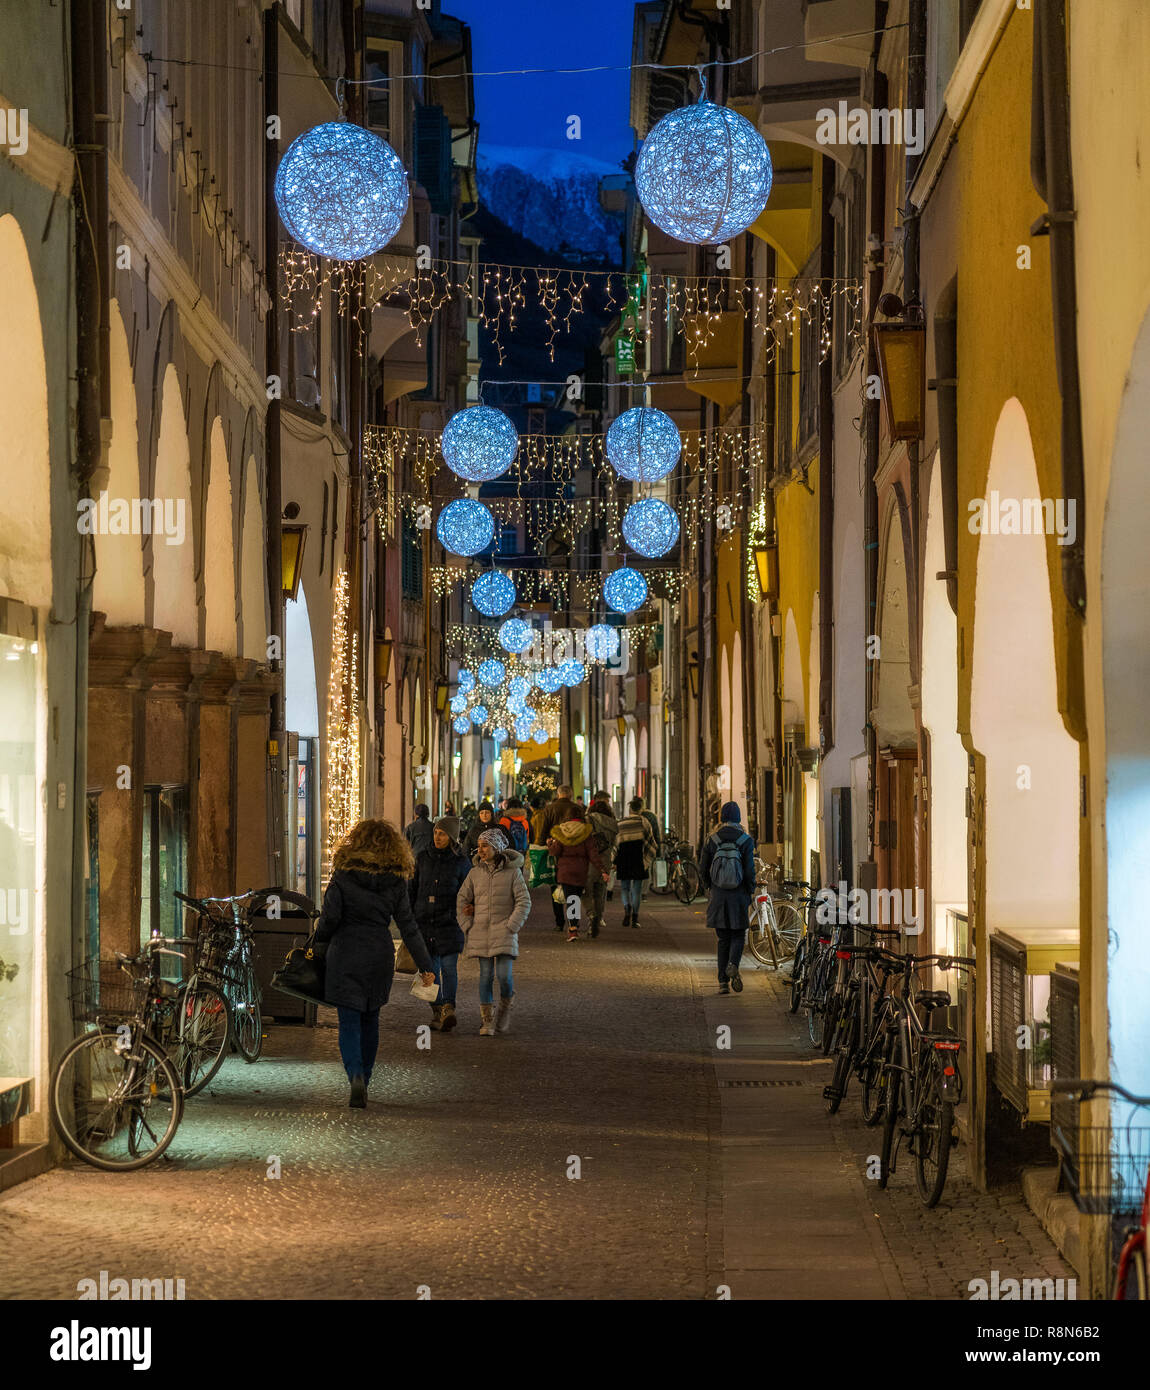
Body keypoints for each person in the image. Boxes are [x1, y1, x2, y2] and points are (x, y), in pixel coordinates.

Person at [313, 819, 436, 1107]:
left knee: (349, 1021)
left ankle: (354, 1073)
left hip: (345, 952)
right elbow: (408, 925)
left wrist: (319, 944)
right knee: (371, 1018)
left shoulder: (343, 875)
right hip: (378, 954)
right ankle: (365, 1078)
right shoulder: (395, 880)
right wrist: (426, 965)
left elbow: (330, 917)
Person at [458, 828, 530, 1035]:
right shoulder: (474, 873)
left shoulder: (512, 873)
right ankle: (487, 1020)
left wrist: (512, 925)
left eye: (485, 846)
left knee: (504, 975)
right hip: (480, 931)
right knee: (485, 976)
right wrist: (466, 923)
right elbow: (462, 899)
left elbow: (524, 901)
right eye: (479, 846)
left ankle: (506, 1005)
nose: (480, 850)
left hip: (504, 931)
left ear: (496, 847)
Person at [409, 815, 470, 1032]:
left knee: (449, 968)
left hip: (450, 923)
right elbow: (413, 887)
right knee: (429, 970)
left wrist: (465, 914)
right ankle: (437, 1010)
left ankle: (448, 1007)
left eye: (442, 833)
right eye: (436, 832)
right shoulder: (423, 857)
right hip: (425, 922)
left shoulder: (461, 862)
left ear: (452, 837)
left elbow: (468, 892)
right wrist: (411, 915)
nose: (437, 837)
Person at [698, 801, 756, 994]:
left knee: (723, 939)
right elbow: (749, 870)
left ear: (722, 818)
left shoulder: (712, 840)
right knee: (738, 934)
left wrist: (710, 887)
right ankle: (733, 964)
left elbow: (702, 868)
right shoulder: (745, 840)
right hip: (739, 895)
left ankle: (722, 982)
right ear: (739, 818)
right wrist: (750, 890)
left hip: (719, 896)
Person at [546, 801, 606, 942]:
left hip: (565, 871)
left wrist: (550, 844)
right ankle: (575, 926)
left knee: (570, 900)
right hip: (580, 871)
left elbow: (555, 851)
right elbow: (593, 854)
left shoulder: (562, 831)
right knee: (576, 900)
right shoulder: (586, 833)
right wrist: (602, 870)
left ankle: (573, 929)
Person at [614, 796, 659, 927]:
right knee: (637, 890)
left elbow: (615, 844)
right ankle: (635, 918)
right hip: (638, 859)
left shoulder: (621, 823)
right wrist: (648, 858)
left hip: (624, 858)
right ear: (640, 809)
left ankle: (627, 909)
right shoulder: (644, 822)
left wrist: (614, 861)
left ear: (629, 809)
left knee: (624, 888)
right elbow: (651, 843)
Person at [585, 791, 618, 938]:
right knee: (600, 891)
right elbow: (615, 843)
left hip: (591, 859)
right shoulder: (613, 823)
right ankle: (598, 918)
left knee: (586, 889)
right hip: (605, 859)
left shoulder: (588, 819)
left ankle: (592, 915)